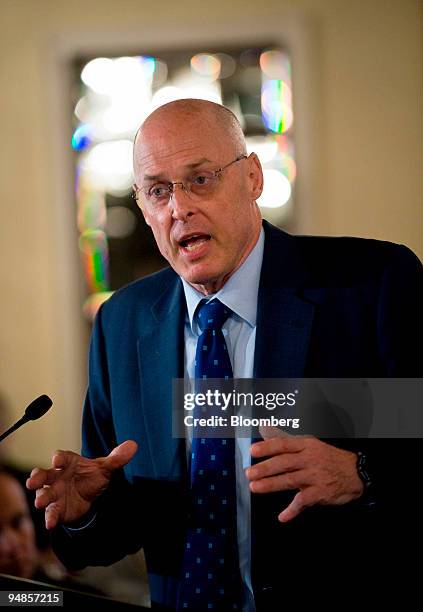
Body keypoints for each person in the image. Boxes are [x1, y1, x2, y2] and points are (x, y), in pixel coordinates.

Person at [27, 99, 423, 610]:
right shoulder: (121, 324)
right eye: (157, 191)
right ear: (143, 207)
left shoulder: (371, 284)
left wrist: (364, 474)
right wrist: (86, 514)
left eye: (201, 179)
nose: (179, 208)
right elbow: (114, 534)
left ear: (253, 177)